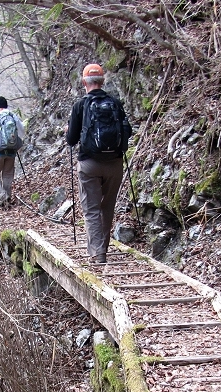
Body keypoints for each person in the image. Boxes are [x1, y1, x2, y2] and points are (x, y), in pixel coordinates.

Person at [66, 64, 132, 264]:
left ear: (83, 82)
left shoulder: (80, 105)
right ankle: (102, 247)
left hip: (89, 164)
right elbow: (127, 131)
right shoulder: (115, 103)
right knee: (107, 207)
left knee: (92, 209)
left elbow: (71, 139)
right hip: (114, 163)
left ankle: (98, 253)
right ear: (103, 81)